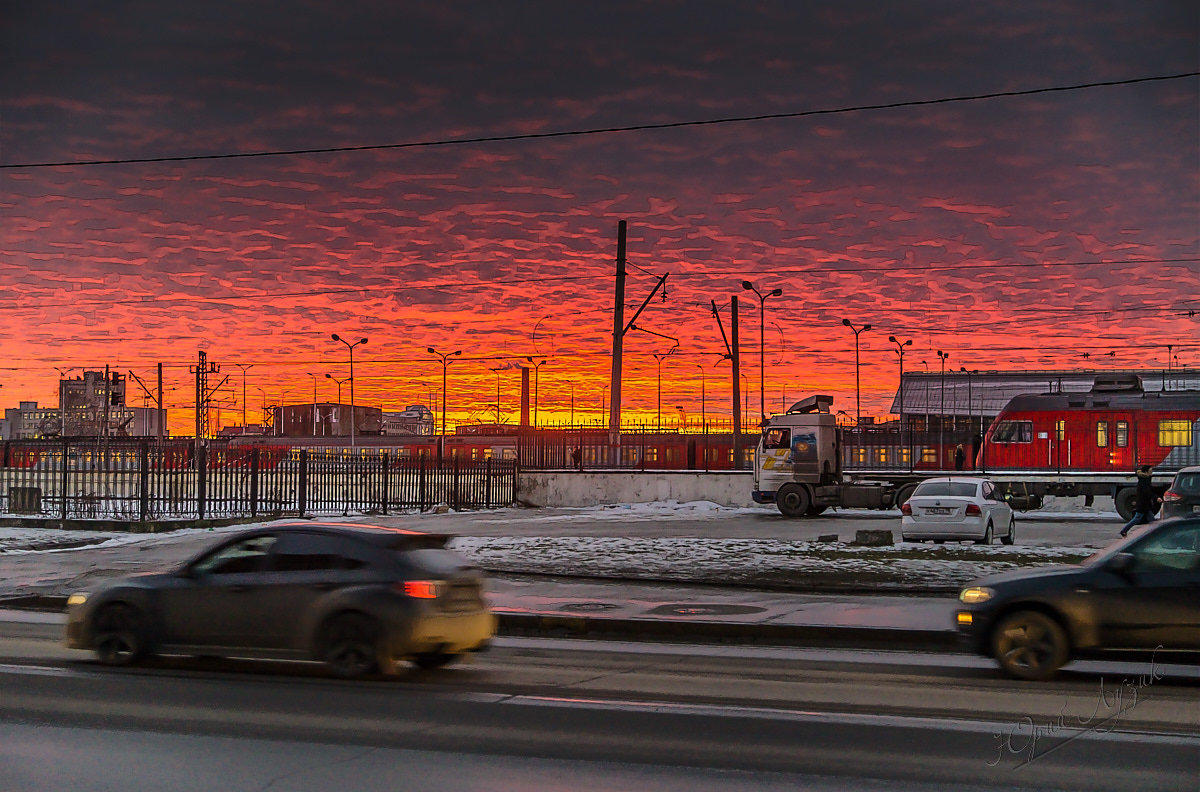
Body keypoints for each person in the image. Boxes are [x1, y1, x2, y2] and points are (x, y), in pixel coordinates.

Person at [1120, 465, 1160, 537]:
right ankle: (1124, 530)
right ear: (1146, 472)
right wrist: (1156, 498)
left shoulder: (1145, 479)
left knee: (1151, 520)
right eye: (1150, 471)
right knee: (1137, 519)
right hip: (1143, 504)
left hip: (1145, 504)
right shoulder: (1144, 481)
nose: (1152, 473)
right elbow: (1148, 492)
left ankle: (1155, 533)